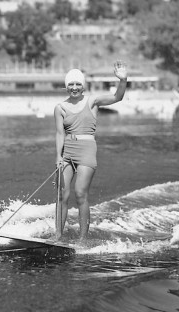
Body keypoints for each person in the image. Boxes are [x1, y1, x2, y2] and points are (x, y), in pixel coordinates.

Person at [54, 61, 128, 242]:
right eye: (71, 84)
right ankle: (57, 236)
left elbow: (117, 97)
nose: (74, 87)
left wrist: (123, 79)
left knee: (80, 193)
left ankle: (82, 239)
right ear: (66, 86)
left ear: (83, 85)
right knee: (61, 195)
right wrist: (58, 157)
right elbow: (59, 134)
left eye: (78, 84)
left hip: (86, 151)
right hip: (67, 153)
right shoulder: (60, 108)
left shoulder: (92, 101)